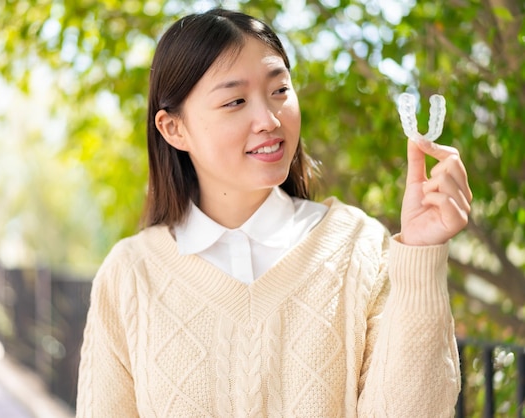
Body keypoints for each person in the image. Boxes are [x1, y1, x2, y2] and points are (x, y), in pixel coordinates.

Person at [76, 8, 472, 418]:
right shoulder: (130, 274)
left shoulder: (360, 249)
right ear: (174, 128)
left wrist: (423, 252)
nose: (268, 120)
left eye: (280, 90)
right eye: (235, 101)